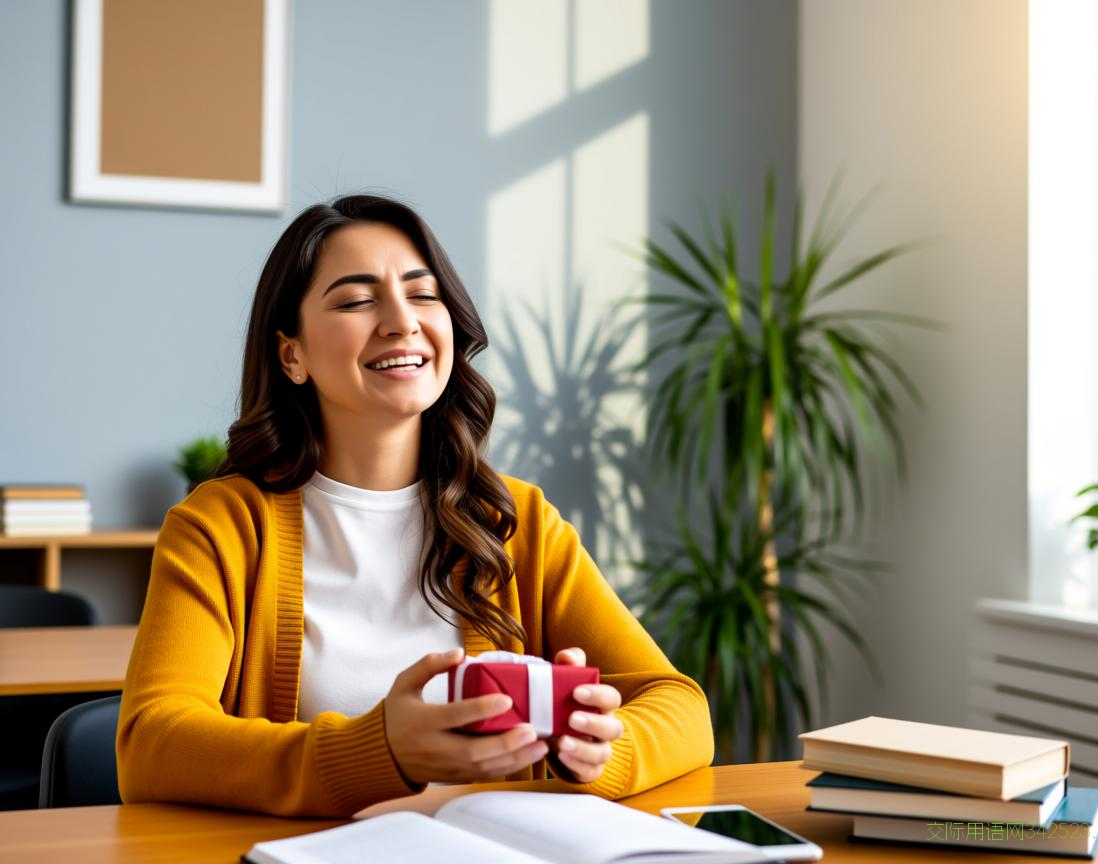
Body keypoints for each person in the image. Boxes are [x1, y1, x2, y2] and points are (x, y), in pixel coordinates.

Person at [116, 194, 713, 817]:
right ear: (291, 354)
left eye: (423, 295)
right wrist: (380, 752)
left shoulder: (516, 521)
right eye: (355, 300)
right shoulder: (221, 527)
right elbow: (150, 744)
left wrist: (599, 752)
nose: (402, 321)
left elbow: (680, 705)